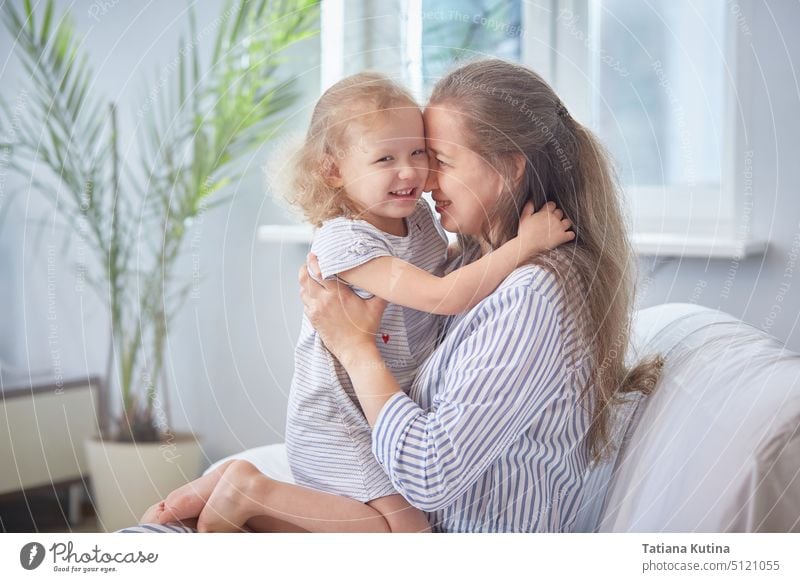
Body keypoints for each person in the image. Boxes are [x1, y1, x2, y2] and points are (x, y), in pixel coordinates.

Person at [123, 58, 662, 533]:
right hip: (341, 419)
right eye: (393, 159)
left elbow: (429, 473)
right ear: (335, 170)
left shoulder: (532, 292)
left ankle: (242, 496)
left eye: (435, 159)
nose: (421, 179)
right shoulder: (455, 255)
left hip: (461, 529)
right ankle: (233, 498)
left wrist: (355, 346)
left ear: (509, 166)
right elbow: (444, 297)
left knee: (400, 531)